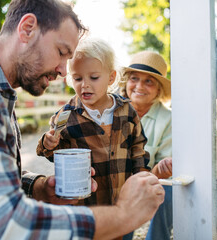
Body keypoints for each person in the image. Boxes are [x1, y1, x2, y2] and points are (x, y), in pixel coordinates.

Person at [0, 0, 165, 239]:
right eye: (61, 52)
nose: (63, 71)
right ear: (28, 29)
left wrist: (38, 187)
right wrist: (124, 215)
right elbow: (11, 225)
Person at [36, 37, 150, 240]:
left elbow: (138, 146)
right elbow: (54, 153)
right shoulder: (67, 115)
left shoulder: (126, 110)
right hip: (85, 205)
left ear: (111, 78)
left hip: (121, 198)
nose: (85, 85)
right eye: (78, 78)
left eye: (94, 77)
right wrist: (48, 143)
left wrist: (141, 175)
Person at [119, 51, 172, 240]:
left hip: (152, 180)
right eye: (135, 78)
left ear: (158, 90)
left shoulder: (168, 118)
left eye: (149, 81)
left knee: (170, 188)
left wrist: (159, 170)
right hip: (117, 182)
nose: (140, 86)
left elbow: (163, 170)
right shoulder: (112, 109)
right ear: (126, 83)